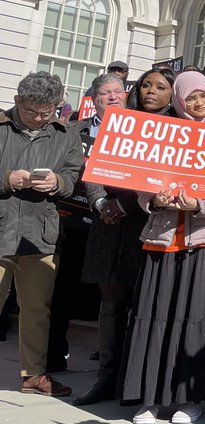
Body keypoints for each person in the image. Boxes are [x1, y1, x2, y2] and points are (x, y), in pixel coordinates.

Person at [123, 71, 205, 424]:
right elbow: (142, 182)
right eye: (191, 97)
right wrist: (154, 198)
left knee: (195, 319)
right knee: (153, 317)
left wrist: (199, 205)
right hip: (163, 237)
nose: (198, 103)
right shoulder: (164, 131)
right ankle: (150, 398)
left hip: (204, 239)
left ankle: (188, 400)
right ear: (179, 99)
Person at [0, 72, 84, 398]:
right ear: (18, 101)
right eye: (32, 110)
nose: (38, 118)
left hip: (40, 234)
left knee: (37, 308)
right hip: (2, 226)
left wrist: (58, 184)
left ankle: (34, 374)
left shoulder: (67, 134)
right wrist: (9, 179)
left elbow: (72, 175)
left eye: (46, 112)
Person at [72, 73, 145, 406]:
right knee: (110, 300)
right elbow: (88, 171)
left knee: (139, 301)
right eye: (105, 93)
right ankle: (107, 375)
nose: (113, 97)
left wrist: (124, 204)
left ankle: (134, 378)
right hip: (104, 224)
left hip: (139, 221)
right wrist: (102, 203)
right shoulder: (83, 131)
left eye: (118, 91)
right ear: (94, 98)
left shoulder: (143, 125)